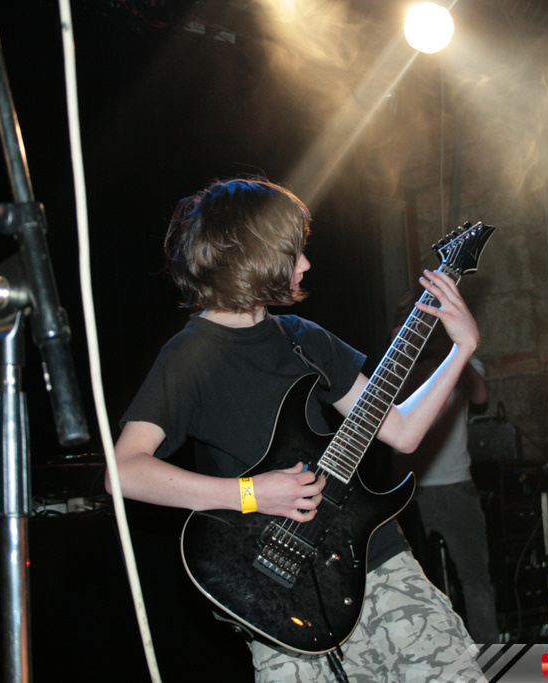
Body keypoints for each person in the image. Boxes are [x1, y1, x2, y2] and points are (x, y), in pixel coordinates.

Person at [109, 178, 486, 683]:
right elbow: (124, 471)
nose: (305, 264)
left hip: (373, 558)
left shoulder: (304, 338)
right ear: (254, 254)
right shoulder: (187, 358)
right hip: (274, 587)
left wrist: (461, 350)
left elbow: (401, 431)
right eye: (294, 252)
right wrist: (250, 494)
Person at [390, 322, 500, 645]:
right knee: (412, 584)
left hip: (456, 485)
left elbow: (481, 396)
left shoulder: (465, 362)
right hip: (411, 489)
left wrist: (455, 353)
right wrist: (408, 354)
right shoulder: (405, 364)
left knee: (476, 580)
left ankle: (489, 656)